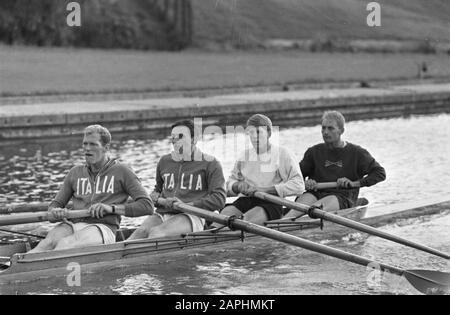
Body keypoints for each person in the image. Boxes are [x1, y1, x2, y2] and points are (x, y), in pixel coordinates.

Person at [29, 125, 154, 253]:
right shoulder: (75, 172)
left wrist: (110, 208)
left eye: (93, 144)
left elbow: (147, 206)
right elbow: (54, 206)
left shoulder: (122, 171)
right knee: (47, 243)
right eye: (85, 144)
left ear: (106, 148)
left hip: (103, 228)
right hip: (74, 224)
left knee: (65, 245)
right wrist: (55, 212)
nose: (87, 149)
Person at [128, 119, 226, 239]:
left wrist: (187, 204)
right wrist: (155, 195)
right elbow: (158, 189)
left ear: (194, 140)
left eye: (180, 136)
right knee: (139, 233)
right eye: (173, 137)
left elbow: (219, 199)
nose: (175, 141)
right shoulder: (164, 161)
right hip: (164, 213)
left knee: (156, 233)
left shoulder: (211, 163)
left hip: (193, 215)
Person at [284, 111, 386, 217]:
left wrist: (354, 183)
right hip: (314, 193)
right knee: (293, 213)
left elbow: (380, 173)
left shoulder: (357, 153)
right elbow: (296, 177)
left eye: (330, 128)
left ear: (341, 131)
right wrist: (306, 183)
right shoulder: (313, 152)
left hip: (341, 196)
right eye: (323, 128)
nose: (325, 132)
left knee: (315, 211)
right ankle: (280, 225)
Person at [211, 114, 305, 227]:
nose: (254, 137)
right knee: (222, 218)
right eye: (251, 132)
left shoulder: (283, 153)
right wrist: (237, 186)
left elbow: (299, 185)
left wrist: (263, 190)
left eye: (258, 132)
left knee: (243, 222)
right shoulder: (244, 156)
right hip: (246, 200)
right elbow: (230, 183)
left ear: (269, 133)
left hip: (271, 203)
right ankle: (211, 233)